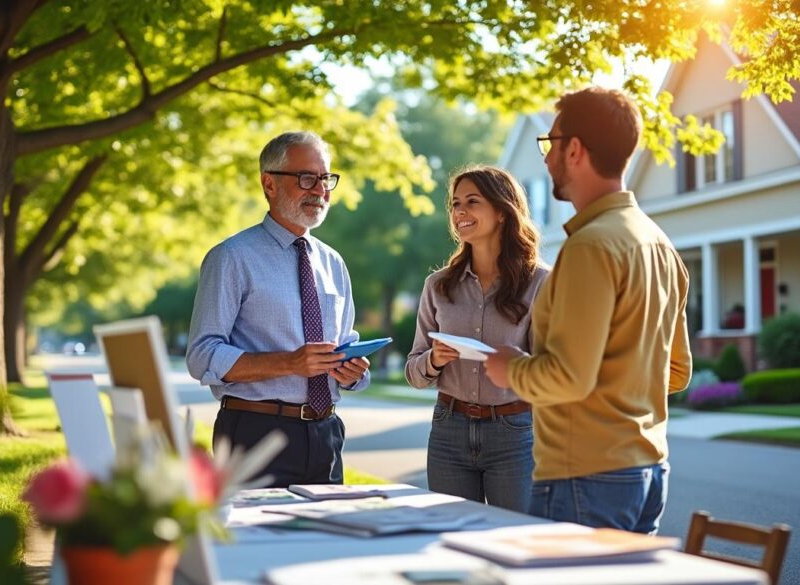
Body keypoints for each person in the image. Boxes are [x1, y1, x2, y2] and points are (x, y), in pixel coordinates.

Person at [485, 87, 692, 533]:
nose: (546, 158)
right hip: (648, 470)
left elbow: (570, 377)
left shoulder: (590, 247)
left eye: (550, 144)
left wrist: (511, 370)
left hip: (585, 477)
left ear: (574, 149)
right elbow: (676, 372)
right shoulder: (660, 244)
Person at [186, 131, 370, 487]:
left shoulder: (334, 263)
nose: (319, 190)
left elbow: (345, 341)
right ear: (269, 183)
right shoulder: (231, 257)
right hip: (255, 434)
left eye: (326, 178)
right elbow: (202, 355)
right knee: (253, 542)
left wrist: (354, 372)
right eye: (306, 178)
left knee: (325, 542)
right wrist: (290, 362)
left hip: (326, 433)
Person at [405, 165, 549, 513]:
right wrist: (434, 360)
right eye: (455, 204)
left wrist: (516, 365)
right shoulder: (438, 285)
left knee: (513, 536)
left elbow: (551, 368)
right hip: (448, 429)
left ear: (502, 211)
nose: (460, 212)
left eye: (472, 201)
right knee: (449, 535)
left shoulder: (540, 283)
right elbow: (413, 370)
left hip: (514, 432)